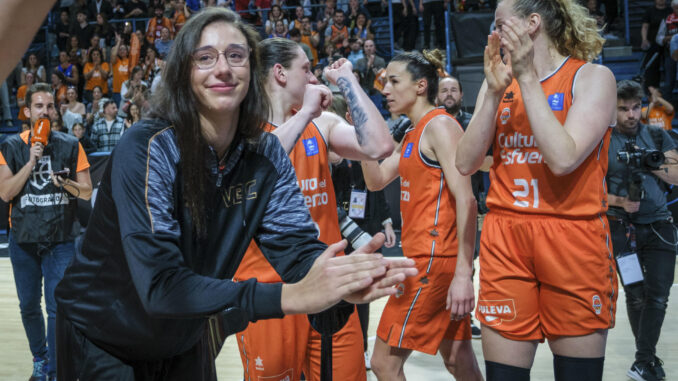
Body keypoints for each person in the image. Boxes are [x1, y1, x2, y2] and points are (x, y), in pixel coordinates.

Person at [54, 8, 416, 380]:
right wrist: (292, 297)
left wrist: (337, 278)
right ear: (182, 72)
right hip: (104, 336)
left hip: (184, 335)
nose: (223, 68)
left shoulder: (265, 152)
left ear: (252, 72)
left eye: (236, 55)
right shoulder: (149, 146)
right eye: (205, 57)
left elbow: (294, 246)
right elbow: (160, 285)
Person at [455, 0, 618, 380]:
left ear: (532, 23)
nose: (492, 35)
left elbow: (563, 158)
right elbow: (464, 163)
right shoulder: (498, 82)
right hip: (506, 236)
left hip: (572, 236)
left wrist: (527, 79)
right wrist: (493, 93)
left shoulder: (592, 78)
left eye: (499, 24)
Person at [233, 38, 395, 381]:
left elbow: (380, 145)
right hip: (271, 291)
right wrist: (306, 110)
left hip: (331, 284)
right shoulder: (238, 128)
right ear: (279, 73)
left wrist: (349, 81)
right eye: (305, 69)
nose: (313, 78)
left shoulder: (321, 125)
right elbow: (262, 164)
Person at [360, 49, 482, 381]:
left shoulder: (441, 126)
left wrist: (463, 273)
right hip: (427, 259)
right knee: (459, 359)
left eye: (394, 81)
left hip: (432, 262)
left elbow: (467, 201)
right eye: (384, 82)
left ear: (420, 86)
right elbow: (376, 180)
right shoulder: (413, 132)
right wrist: (361, 129)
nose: (385, 89)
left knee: (384, 363)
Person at [0, 82, 92, 381]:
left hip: (60, 239)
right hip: (23, 240)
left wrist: (64, 183)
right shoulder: (12, 147)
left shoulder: (70, 144)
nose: (46, 111)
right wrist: (31, 162)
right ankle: (40, 358)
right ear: (27, 111)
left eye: (50, 106)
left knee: (56, 307)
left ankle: (55, 371)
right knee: (28, 306)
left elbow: (87, 193)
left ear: (56, 110)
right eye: (39, 106)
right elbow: (5, 193)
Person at [607, 80, 678, 381]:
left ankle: (643, 359)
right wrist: (620, 200)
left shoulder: (658, 136)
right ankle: (645, 359)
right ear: (613, 109)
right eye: (623, 109)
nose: (631, 115)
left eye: (636, 107)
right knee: (636, 295)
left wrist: (648, 163)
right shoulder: (603, 141)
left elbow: (675, 175)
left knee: (659, 296)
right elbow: (586, 191)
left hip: (660, 224)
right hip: (621, 225)